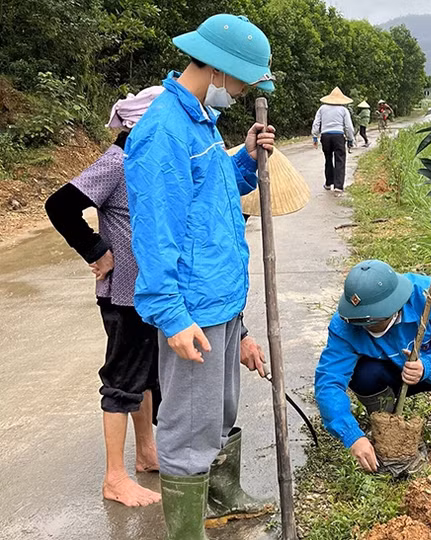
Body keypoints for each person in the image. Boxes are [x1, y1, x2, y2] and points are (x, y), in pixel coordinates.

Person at [123, 14, 276, 539]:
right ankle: (186, 531)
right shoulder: (162, 130)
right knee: (189, 431)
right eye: (239, 82)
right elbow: (155, 234)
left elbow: (213, 196)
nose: (239, 92)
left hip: (222, 302)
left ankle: (218, 500)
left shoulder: (200, 123)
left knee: (219, 413)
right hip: (193, 308)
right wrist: (171, 315)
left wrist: (248, 159)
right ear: (216, 69)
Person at [45, 87, 164, 508]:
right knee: (122, 382)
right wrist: (97, 250)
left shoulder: (148, 164)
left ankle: (146, 454)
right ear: (142, 125)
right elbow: (60, 206)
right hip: (123, 296)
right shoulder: (117, 162)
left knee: (147, 376)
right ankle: (114, 477)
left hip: (149, 293)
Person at [314, 260, 431, 473]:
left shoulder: (430, 296)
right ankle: (385, 420)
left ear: (394, 308)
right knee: (362, 374)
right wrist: (352, 436)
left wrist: (427, 366)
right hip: (388, 376)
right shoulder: (345, 325)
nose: (365, 328)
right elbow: (328, 382)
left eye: (373, 323)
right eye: (359, 323)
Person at [312, 87, 355, 195]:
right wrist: (350, 139)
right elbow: (348, 127)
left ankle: (328, 183)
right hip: (338, 136)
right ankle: (338, 186)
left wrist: (315, 136)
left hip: (325, 136)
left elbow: (316, 123)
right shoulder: (344, 110)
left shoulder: (322, 109)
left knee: (328, 159)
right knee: (340, 160)